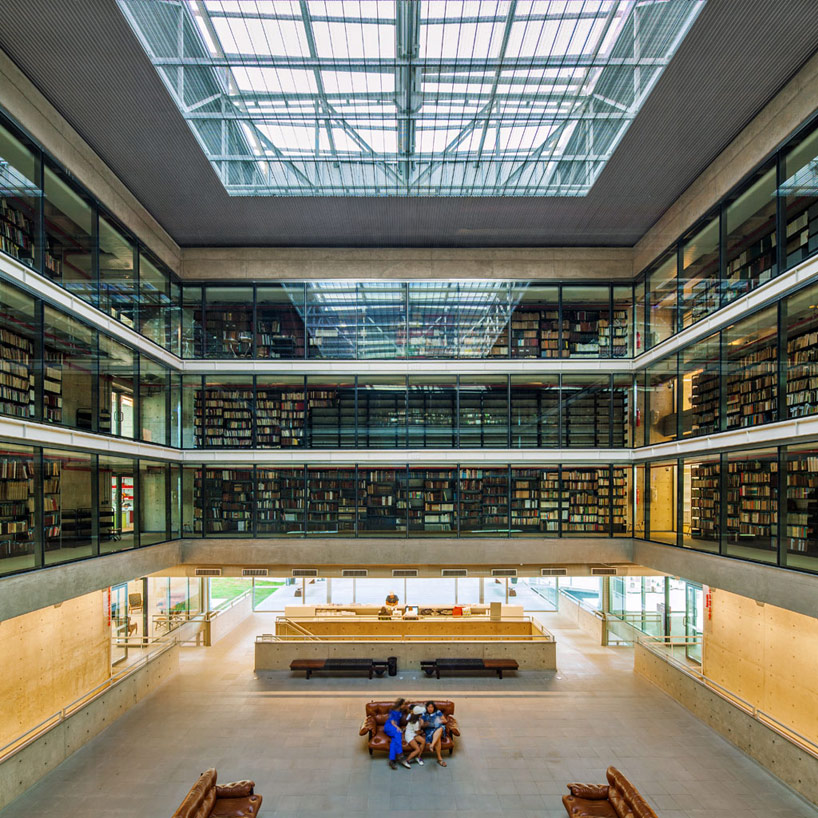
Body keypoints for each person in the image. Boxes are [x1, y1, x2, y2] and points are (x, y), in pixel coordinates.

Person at [384, 698, 410, 770]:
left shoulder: (400, 710)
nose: (404, 705)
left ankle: (392, 760)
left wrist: (407, 705)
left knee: (394, 741)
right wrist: (397, 727)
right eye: (403, 704)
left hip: (394, 727)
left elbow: (408, 708)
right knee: (398, 733)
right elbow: (392, 722)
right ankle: (400, 755)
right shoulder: (392, 711)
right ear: (400, 705)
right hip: (389, 726)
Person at [422, 700, 448, 767]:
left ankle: (432, 745)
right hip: (430, 731)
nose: (430, 709)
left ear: (434, 707)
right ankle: (440, 759)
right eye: (429, 707)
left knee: (440, 728)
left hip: (439, 728)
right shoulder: (424, 714)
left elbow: (445, 720)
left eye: (432, 707)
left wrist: (438, 721)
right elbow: (421, 725)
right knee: (437, 738)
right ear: (426, 707)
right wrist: (425, 724)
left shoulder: (438, 712)